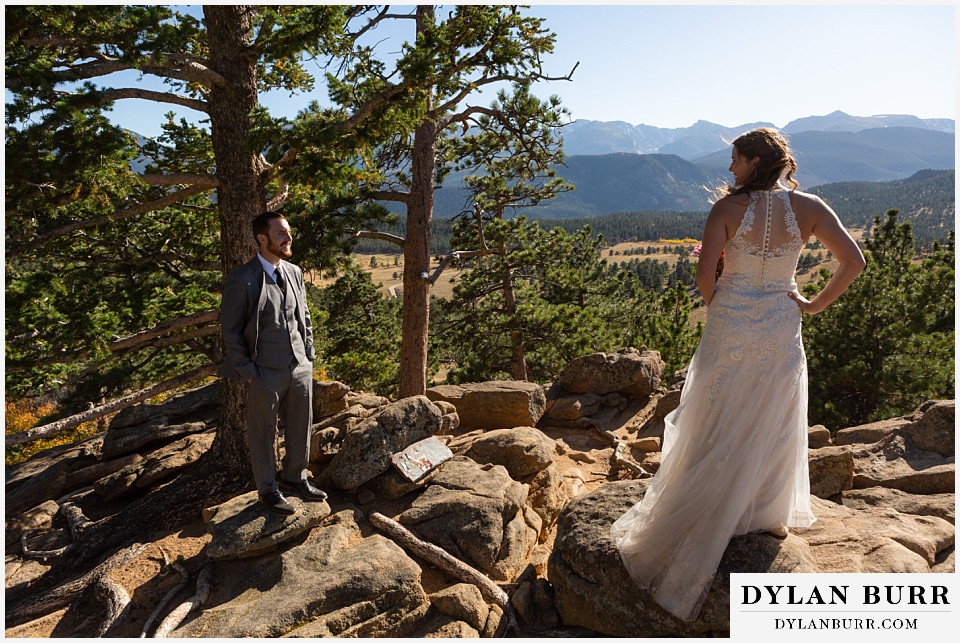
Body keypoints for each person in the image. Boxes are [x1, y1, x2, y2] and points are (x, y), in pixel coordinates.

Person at [610, 127, 865, 621]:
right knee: (774, 412)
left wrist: (720, 307)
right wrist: (811, 306)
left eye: (735, 160)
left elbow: (706, 274)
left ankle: (709, 505)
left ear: (753, 162)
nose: (729, 169)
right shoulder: (809, 206)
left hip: (731, 323)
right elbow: (853, 261)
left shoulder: (727, 211)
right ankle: (766, 515)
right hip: (780, 323)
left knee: (717, 407)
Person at [221, 210, 328, 515]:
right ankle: (268, 489)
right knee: (263, 432)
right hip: (264, 371)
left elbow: (303, 316)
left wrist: (308, 355)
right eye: (281, 233)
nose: (288, 238)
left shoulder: (294, 271)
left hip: (299, 367)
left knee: (300, 426)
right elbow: (230, 331)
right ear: (261, 238)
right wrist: (249, 373)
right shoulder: (242, 279)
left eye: (288, 232)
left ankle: (296, 477)